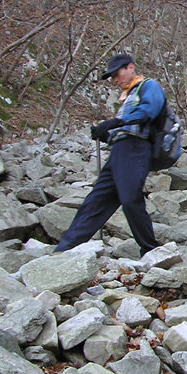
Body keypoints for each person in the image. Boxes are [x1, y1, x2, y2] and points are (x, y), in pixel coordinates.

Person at [54, 54, 163, 257]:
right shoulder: (129, 95)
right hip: (120, 151)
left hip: (136, 147)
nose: (114, 79)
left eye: (117, 73)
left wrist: (114, 123)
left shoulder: (149, 86)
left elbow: (149, 111)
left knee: (130, 198)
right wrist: (106, 134)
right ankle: (65, 249)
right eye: (111, 76)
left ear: (130, 67)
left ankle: (150, 250)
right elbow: (124, 127)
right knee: (96, 200)